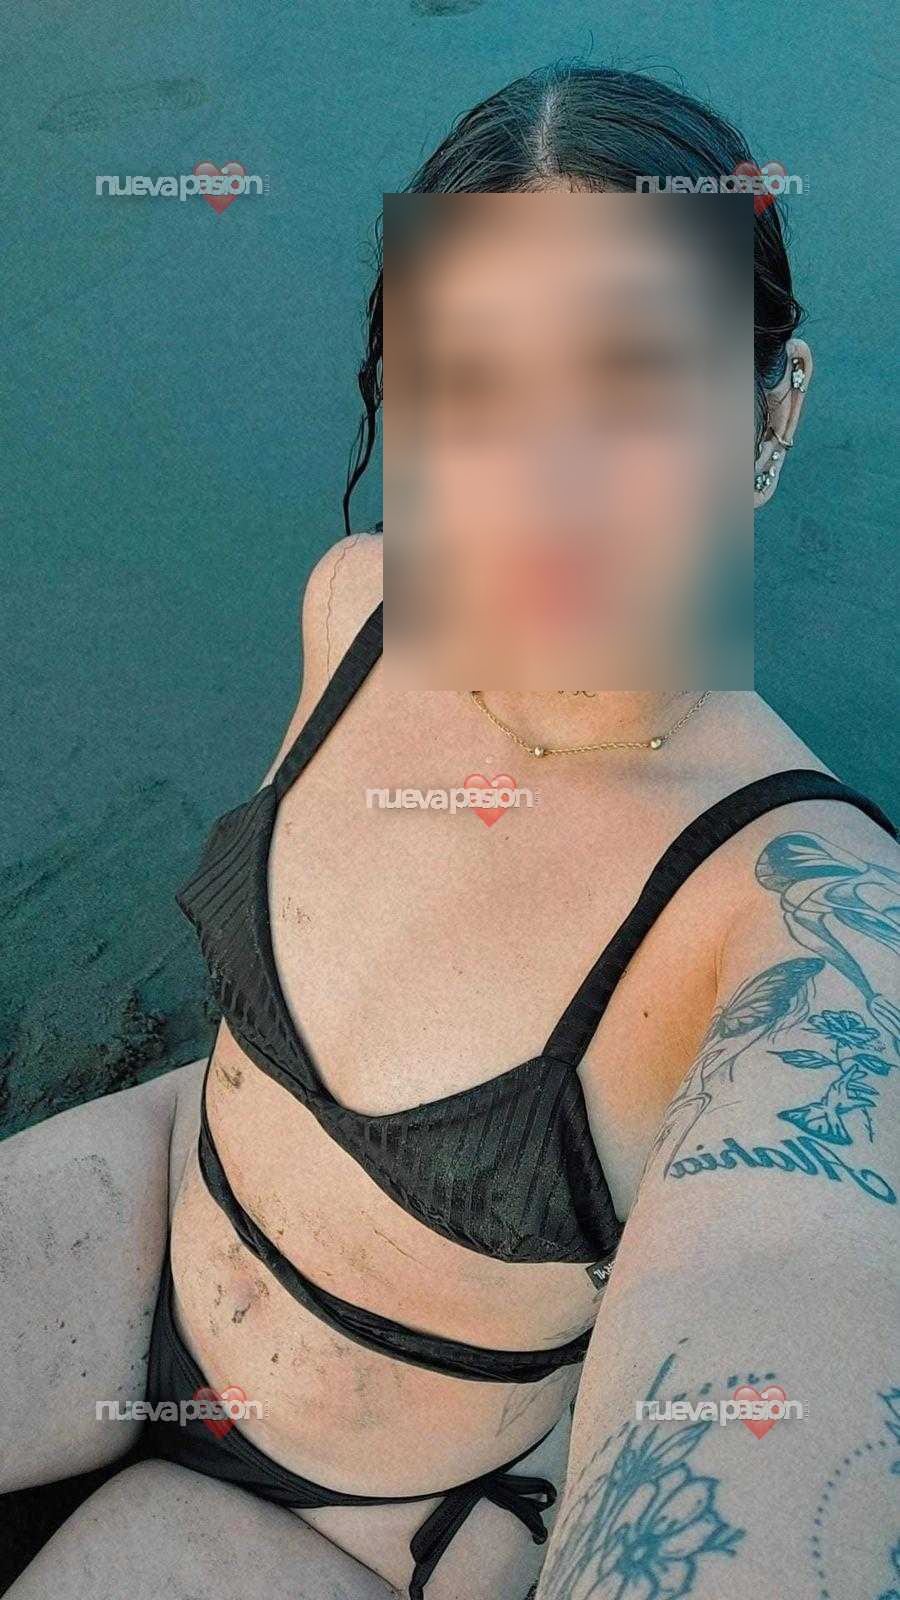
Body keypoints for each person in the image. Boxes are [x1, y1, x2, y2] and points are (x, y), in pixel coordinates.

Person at [1, 63, 897, 1600]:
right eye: (467, 387)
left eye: (630, 380)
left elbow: (793, 1303)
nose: (543, 490)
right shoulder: (360, 608)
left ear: (773, 408)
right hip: (159, 1205)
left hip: (378, 1504)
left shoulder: (807, 931)